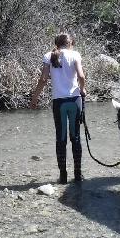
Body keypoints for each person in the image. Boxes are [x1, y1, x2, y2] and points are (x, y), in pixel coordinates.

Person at [30, 32, 87, 183]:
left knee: (61, 138)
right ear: (70, 43)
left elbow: (43, 79)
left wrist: (35, 97)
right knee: (75, 137)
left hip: (59, 102)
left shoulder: (48, 56)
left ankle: (63, 176)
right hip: (75, 101)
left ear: (57, 44)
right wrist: (82, 89)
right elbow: (81, 76)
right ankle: (78, 174)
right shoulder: (75, 55)